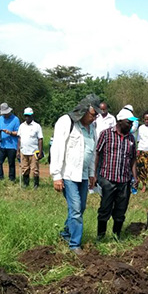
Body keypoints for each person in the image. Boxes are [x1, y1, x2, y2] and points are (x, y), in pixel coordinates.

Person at [49, 94, 103, 255]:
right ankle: (74, 245)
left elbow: (92, 152)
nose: (95, 118)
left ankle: (65, 233)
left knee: (80, 208)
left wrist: (92, 174)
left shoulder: (92, 128)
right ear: (85, 110)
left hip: (84, 175)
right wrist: (56, 175)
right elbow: (57, 148)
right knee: (76, 209)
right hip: (68, 174)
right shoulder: (66, 122)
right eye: (94, 114)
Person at [94, 108, 138, 240]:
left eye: (131, 123)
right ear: (119, 121)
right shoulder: (106, 134)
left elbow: (133, 159)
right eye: (128, 122)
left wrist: (135, 177)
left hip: (124, 180)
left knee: (120, 211)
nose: (131, 125)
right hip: (108, 178)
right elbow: (97, 153)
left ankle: (116, 236)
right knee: (105, 209)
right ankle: (100, 237)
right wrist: (94, 174)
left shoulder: (131, 138)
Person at [17, 107, 44, 188]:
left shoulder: (37, 126)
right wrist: (18, 151)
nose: (27, 117)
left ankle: (36, 184)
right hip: (23, 151)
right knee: (24, 168)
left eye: (29, 116)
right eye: (26, 116)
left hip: (34, 151)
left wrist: (40, 151)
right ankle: (26, 184)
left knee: (34, 169)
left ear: (32, 116)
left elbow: (40, 139)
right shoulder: (22, 126)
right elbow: (19, 139)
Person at [0, 102, 20, 182]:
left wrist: (10, 132)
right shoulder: (0, 119)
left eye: (6, 113)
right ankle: (0, 178)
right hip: (2, 145)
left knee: (11, 163)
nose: (5, 115)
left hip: (12, 145)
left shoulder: (15, 119)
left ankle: (12, 179)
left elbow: (18, 133)